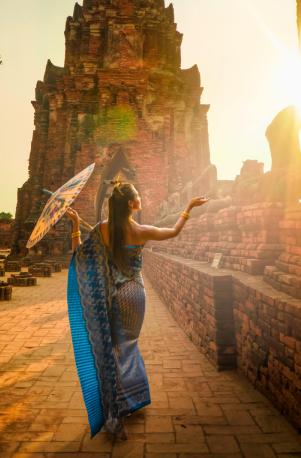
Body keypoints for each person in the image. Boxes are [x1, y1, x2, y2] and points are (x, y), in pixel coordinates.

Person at [65, 177, 210, 440]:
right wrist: (188, 207)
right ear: (131, 204)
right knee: (127, 346)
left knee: (111, 351)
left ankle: (118, 412)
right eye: (139, 197)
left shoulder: (101, 229)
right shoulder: (142, 230)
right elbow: (173, 232)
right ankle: (127, 402)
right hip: (134, 294)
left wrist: (76, 225)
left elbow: (79, 258)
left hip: (111, 296)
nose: (141, 199)